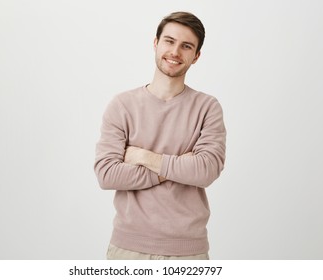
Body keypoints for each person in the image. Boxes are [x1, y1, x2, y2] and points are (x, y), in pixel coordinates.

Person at [94, 11, 226, 260]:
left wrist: (144, 156)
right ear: (155, 43)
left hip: (188, 253)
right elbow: (107, 174)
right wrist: (180, 166)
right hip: (128, 250)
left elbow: (207, 170)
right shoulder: (122, 105)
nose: (175, 52)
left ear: (196, 57)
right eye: (169, 41)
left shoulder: (207, 107)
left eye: (186, 46)